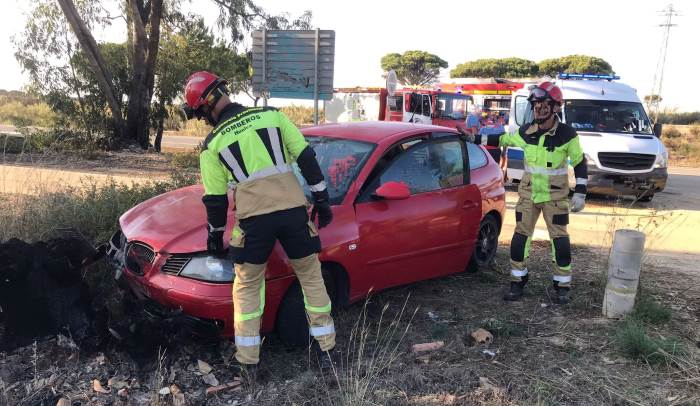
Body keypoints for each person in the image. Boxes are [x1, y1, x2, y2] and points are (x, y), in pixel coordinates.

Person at [182, 71, 337, 375]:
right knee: (311, 278)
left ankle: (248, 361)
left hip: (254, 223)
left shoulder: (213, 144)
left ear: (208, 104)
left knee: (248, 287)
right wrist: (322, 200)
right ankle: (327, 350)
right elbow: (306, 158)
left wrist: (214, 236)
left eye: (201, 114)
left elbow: (215, 200)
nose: (203, 121)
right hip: (294, 213)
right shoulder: (272, 116)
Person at [462, 81, 587, 304]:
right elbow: (500, 139)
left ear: (555, 107)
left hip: (555, 197)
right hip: (529, 195)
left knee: (560, 240)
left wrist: (581, 192)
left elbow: (579, 162)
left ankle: (562, 285)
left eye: (543, 104)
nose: (538, 109)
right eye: (535, 104)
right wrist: (474, 139)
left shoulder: (567, 135)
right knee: (520, 238)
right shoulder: (526, 132)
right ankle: (517, 282)